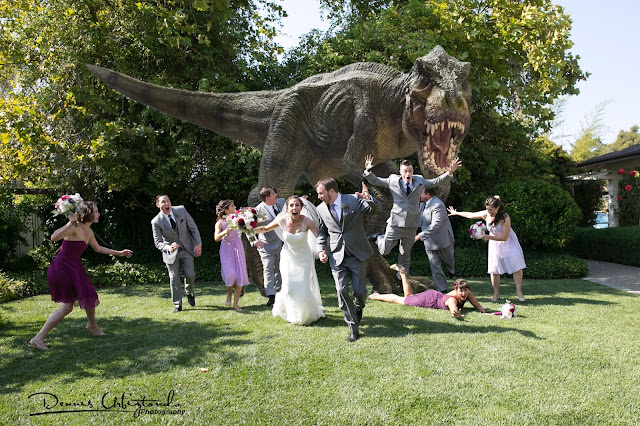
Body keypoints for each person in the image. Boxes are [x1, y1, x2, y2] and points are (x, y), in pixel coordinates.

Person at [29, 202, 133, 351]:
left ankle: (92, 325)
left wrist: (119, 253)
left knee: (89, 294)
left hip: (74, 268)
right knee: (66, 307)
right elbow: (53, 237)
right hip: (61, 269)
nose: (98, 214)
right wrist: (69, 223)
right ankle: (38, 338)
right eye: (96, 211)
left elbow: (98, 248)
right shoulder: (74, 226)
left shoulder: (88, 232)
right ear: (88, 213)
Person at [362, 155, 462, 274]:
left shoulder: (420, 181)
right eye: (405, 171)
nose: (408, 173)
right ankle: (379, 237)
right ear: (400, 172)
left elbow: (436, 181)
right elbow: (375, 181)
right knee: (384, 251)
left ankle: (402, 278)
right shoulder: (392, 180)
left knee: (405, 254)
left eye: (410, 171)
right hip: (395, 223)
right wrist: (368, 170)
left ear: (413, 171)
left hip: (411, 224)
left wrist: (450, 172)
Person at [315, 178, 381, 342]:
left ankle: (359, 306)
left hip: (357, 253)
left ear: (331, 191)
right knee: (341, 291)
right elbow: (322, 232)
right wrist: (320, 250)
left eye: (321, 193)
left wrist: (369, 199)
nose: (319, 197)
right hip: (336, 255)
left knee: (360, 292)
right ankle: (352, 326)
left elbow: (377, 209)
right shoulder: (320, 209)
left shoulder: (353, 199)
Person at [254, 195, 325, 325]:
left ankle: (305, 315)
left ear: (301, 208)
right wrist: (249, 229)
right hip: (288, 258)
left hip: (304, 258)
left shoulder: (307, 221)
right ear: (287, 208)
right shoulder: (281, 220)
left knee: (303, 286)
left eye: (297, 205)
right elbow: (265, 228)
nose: (294, 208)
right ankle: (291, 312)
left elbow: (319, 237)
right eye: (291, 205)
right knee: (289, 287)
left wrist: (322, 252)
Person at [448, 195, 526, 302]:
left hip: (508, 243)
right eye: (487, 209)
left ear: (498, 207)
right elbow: (470, 215)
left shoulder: (505, 217)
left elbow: (504, 237)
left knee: (516, 265)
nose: (489, 212)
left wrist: (487, 237)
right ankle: (496, 293)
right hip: (495, 244)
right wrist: (456, 213)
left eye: (491, 209)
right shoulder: (486, 214)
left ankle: (519, 291)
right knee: (494, 268)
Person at [368, 265, 487, 319]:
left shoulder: (468, 294)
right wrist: (455, 313)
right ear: (456, 290)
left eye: (466, 290)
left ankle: (403, 273)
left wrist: (485, 312)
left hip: (436, 295)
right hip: (430, 299)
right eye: (461, 290)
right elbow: (453, 308)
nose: (464, 293)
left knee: (409, 296)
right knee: (403, 300)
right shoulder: (452, 300)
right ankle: (376, 296)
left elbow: (477, 305)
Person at [152, 195, 203, 313]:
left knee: (190, 275)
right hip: (170, 253)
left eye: (168, 201)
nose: (166, 204)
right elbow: (158, 242)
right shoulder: (156, 221)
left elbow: (193, 228)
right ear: (158, 205)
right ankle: (177, 304)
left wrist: (198, 244)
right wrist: (168, 247)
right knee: (174, 278)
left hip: (187, 248)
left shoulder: (181, 210)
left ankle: (190, 292)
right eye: (163, 202)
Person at [413, 187, 455, 292]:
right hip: (429, 241)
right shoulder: (422, 204)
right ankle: (442, 289)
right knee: (435, 265)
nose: (419, 195)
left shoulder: (438, 205)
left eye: (421, 193)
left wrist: (418, 236)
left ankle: (451, 269)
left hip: (443, 240)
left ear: (427, 195)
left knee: (448, 261)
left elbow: (435, 225)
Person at [214, 200, 249, 311]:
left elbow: (248, 229)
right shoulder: (220, 223)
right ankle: (229, 293)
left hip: (238, 246)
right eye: (232, 206)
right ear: (226, 210)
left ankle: (236, 304)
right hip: (227, 249)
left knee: (239, 275)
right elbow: (216, 238)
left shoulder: (239, 218)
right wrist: (225, 232)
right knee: (230, 276)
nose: (235, 207)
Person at [253, 187, 285, 306]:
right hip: (267, 245)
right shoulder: (257, 211)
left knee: (281, 269)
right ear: (267, 198)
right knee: (268, 269)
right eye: (273, 193)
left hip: (283, 243)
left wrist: (301, 200)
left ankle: (281, 293)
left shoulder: (281, 203)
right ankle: (271, 296)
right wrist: (255, 241)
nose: (276, 195)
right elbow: (247, 228)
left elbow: (293, 205)